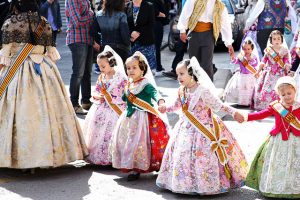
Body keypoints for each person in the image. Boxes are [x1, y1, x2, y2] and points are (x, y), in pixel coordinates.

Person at [0, 0, 88, 170]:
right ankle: (50, 156)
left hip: (17, 71)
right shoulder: (44, 23)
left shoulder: (10, 24)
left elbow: (5, 55)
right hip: (44, 70)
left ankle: (23, 159)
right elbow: (52, 54)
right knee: (50, 110)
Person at [156, 57, 248, 195]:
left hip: (204, 130)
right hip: (185, 128)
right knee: (184, 157)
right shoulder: (181, 90)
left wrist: (234, 113)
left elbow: (218, 105)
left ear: (191, 73)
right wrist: (165, 108)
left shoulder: (202, 91)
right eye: (177, 74)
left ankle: (207, 184)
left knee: (203, 158)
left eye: (182, 73)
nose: (178, 77)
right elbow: (176, 105)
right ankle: (185, 183)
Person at [110, 51, 169, 181]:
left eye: (134, 67)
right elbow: (124, 98)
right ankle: (133, 166)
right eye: (128, 68)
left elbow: (155, 93)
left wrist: (161, 102)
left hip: (143, 118)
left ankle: (143, 166)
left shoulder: (146, 84)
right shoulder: (129, 84)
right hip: (129, 118)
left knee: (142, 142)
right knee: (129, 142)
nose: (131, 71)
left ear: (142, 69)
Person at [240, 76, 300, 199]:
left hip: (296, 139)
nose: (287, 96)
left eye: (289, 93)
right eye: (283, 94)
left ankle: (293, 187)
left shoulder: (298, 106)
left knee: (294, 162)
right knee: (277, 162)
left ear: (295, 91)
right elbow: (261, 114)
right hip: (278, 139)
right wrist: (246, 117)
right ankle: (275, 187)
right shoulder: (276, 106)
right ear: (279, 95)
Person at [83, 46, 127, 165]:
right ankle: (97, 154)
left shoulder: (121, 78)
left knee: (110, 130)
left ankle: (112, 157)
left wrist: (111, 97)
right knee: (97, 129)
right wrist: (98, 96)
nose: (100, 69)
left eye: (103, 66)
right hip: (101, 106)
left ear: (111, 63)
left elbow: (125, 94)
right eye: (99, 66)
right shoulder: (101, 77)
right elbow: (96, 90)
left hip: (115, 108)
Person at [176, 0, 235, 80]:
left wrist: (229, 43)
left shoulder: (220, 6)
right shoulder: (194, 1)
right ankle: (194, 86)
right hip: (194, 34)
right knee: (193, 62)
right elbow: (185, 13)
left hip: (209, 35)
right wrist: (182, 30)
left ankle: (208, 89)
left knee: (206, 64)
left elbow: (225, 24)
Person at [65, 0, 94, 114]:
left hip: (88, 39)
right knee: (78, 73)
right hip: (77, 39)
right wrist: (91, 14)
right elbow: (77, 21)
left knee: (87, 73)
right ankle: (74, 103)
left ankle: (86, 102)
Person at [253, 30, 291, 110]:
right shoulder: (268, 50)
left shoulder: (284, 50)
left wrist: (287, 65)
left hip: (280, 73)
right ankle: (268, 107)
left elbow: (286, 60)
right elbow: (263, 61)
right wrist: (258, 71)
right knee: (267, 89)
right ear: (271, 40)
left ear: (281, 40)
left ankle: (279, 108)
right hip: (269, 74)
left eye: (278, 38)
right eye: (274, 39)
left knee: (279, 90)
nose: (276, 41)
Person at [223, 39, 259, 106]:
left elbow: (255, 64)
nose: (247, 51)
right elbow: (235, 61)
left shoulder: (253, 57)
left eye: (248, 49)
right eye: (245, 49)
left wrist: (250, 60)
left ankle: (250, 102)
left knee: (250, 89)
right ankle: (242, 102)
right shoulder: (241, 57)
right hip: (242, 76)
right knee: (242, 89)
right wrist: (232, 57)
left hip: (250, 76)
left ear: (252, 49)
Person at [125, 0, 157, 73]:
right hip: (131, 42)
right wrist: (131, 33)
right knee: (132, 69)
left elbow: (151, 24)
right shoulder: (126, 6)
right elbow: (124, 24)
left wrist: (138, 33)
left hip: (146, 42)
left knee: (147, 70)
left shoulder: (149, 6)